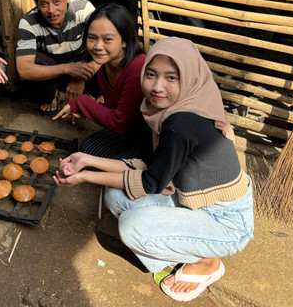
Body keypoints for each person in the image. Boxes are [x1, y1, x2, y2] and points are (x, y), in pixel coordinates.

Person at [53, 37, 254, 302]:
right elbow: (148, 165)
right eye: (151, 75)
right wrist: (87, 159)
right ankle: (190, 244)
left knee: (132, 228)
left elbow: (150, 182)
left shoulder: (181, 122)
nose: (158, 87)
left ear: (190, 78)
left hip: (226, 222)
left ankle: (208, 262)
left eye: (172, 78)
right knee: (115, 196)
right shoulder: (166, 109)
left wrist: (85, 176)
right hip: (193, 200)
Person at [52, 4, 151, 160]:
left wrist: (82, 103)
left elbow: (119, 122)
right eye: (92, 38)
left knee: (106, 163)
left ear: (124, 41)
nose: (98, 46)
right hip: (128, 132)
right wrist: (88, 110)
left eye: (108, 39)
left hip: (150, 138)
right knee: (88, 148)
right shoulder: (105, 66)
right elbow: (113, 108)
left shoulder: (137, 68)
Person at [16, 0, 97, 115]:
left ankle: (93, 90)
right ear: (36, 1)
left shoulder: (83, 9)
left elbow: (109, 46)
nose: (51, 10)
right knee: (35, 59)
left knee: (103, 50)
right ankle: (52, 93)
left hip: (81, 62)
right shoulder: (28, 22)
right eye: (44, 4)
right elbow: (23, 70)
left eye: (57, 2)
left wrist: (80, 77)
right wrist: (68, 69)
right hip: (53, 69)